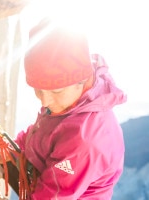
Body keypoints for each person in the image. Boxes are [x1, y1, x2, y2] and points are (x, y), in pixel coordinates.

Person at [7, 19, 127, 199]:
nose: (44, 102)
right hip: (43, 179)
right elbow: (43, 133)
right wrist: (13, 147)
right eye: (38, 90)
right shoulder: (69, 104)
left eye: (56, 91)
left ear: (82, 80)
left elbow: (53, 195)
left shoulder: (85, 140)